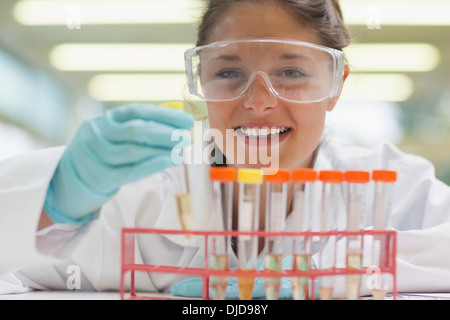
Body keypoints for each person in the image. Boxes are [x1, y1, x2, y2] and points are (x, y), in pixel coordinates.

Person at [1, 0, 450, 299]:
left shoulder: (393, 185)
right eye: (229, 73)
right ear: (202, 82)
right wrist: (56, 201)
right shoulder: (138, 195)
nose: (258, 101)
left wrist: (320, 270)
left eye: (291, 72)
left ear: (335, 86)